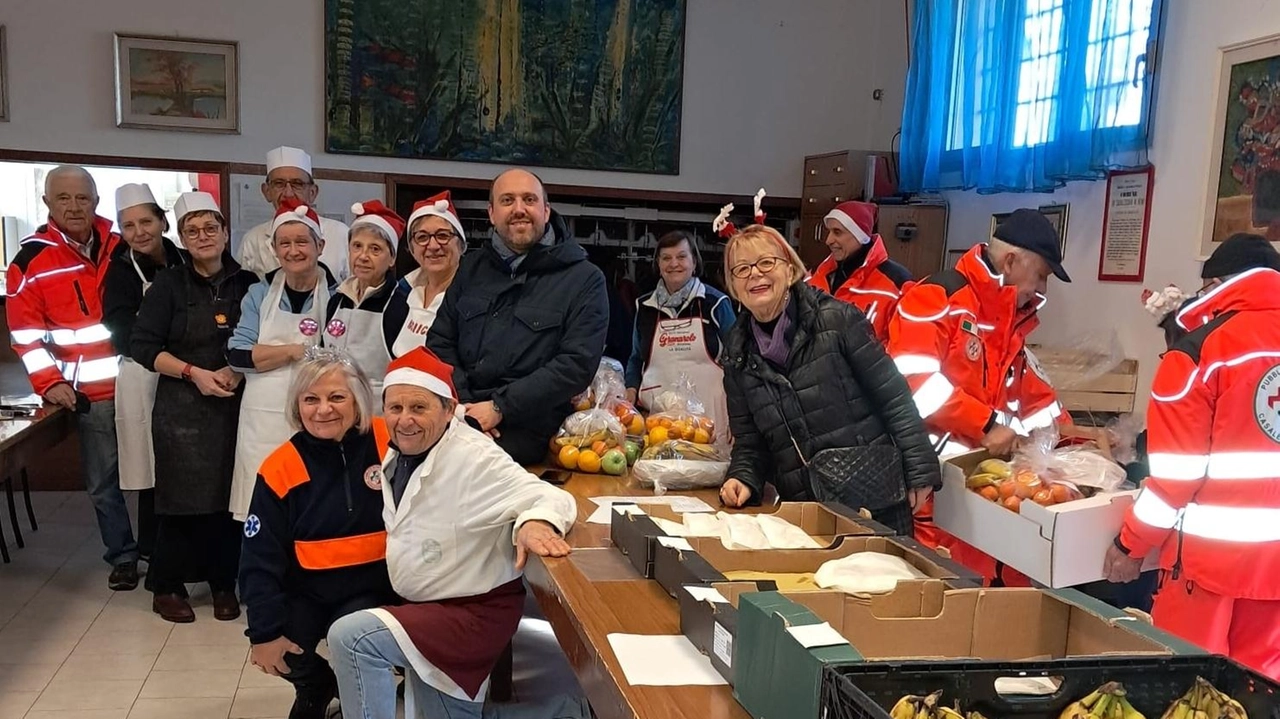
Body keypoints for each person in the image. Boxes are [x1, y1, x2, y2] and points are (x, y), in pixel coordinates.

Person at [327, 347, 581, 719]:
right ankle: (566, 713)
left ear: (448, 410)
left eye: (419, 408)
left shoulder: (474, 457)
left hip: (472, 612)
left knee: (353, 637)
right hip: (431, 603)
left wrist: (533, 522)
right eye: (395, 408)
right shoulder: (403, 450)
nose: (404, 420)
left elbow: (548, 495)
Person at [1103, 234, 1280, 681]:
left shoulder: (1198, 353)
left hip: (1205, 567)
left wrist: (1130, 544)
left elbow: (1175, 481)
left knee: (1186, 685)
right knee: (1259, 688)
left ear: (1216, 284)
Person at [716, 224, 939, 536]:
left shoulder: (838, 320)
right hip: (805, 509)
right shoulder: (736, 353)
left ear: (790, 268)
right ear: (733, 285)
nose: (755, 274)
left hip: (874, 498)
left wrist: (919, 470)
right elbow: (749, 442)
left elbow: (895, 399)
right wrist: (742, 477)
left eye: (766, 262)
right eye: (741, 269)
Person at [887, 208, 1068, 584]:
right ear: (1011, 260)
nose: (1044, 289)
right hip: (928, 489)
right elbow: (909, 383)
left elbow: (1034, 398)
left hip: (983, 492)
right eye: (1042, 276)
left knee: (978, 597)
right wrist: (986, 424)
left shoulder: (1010, 321)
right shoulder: (937, 296)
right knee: (939, 598)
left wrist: (1076, 443)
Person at [240, 351, 396, 719]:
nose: (323, 410)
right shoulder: (280, 467)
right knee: (274, 652)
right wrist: (263, 633)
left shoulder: (390, 440)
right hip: (308, 592)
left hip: (379, 588)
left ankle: (367, 690)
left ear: (358, 400)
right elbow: (258, 559)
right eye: (311, 399)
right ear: (297, 406)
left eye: (337, 397)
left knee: (354, 637)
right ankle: (317, 685)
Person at [5, 166, 137, 589]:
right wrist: (51, 384)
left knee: (158, 473)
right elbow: (25, 337)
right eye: (64, 198)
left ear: (96, 201)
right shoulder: (30, 261)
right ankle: (123, 555)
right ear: (47, 203)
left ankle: (160, 548)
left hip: (141, 382)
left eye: (83, 198)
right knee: (103, 481)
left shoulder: (122, 246)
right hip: (89, 392)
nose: (75, 206)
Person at [131, 191, 258, 623]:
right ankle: (166, 585)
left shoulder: (249, 283)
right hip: (181, 408)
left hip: (235, 404)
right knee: (182, 501)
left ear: (225, 232)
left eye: (210, 228)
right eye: (192, 230)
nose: (202, 236)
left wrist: (235, 372)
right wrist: (194, 373)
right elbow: (143, 347)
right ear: (182, 239)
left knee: (229, 499)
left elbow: (263, 338)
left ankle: (224, 582)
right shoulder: (169, 284)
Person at [427, 168, 609, 464]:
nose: (519, 209)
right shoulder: (470, 268)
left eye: (529, 199)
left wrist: (499, 407)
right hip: (460, 424)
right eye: (507, 200)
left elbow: (576, 364)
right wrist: (467, 409)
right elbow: (440, 341)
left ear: (546, 211)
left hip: (540, 444)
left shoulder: (585, 279)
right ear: (491, 213)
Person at [228, 199, 336, 521]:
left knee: (312, 504)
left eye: (302, 242)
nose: (293, 251)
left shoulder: (337, 294)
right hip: (262, 417)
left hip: (318, 414)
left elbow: (341, 355)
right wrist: (293, 352)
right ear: (274, 249)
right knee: (261, 505)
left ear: (320, 245)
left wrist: (266, 355)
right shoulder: (259, 294)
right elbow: (237, 354)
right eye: (284, 243)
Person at [101, 184, 185, 563]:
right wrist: (159, 333)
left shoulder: (184, 259)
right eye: (129, 225)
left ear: (162, 221)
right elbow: (120, 329)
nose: (139, 232)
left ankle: (187, 547)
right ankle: (152, 550)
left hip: (185, 373)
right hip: (141, 376)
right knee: (150, 465)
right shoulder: (118, 272)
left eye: (146, 221)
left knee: (183, 461)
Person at [624, 230, 736, 435]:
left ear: (695, 262)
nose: (673, 263)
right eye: (666, 258)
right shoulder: (644, 306)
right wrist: (630, 389)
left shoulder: (716, 303)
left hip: (709, 421)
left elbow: (739, 358)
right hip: (658, 421)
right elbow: (635, 359)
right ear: (658, 265)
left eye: (681, 257)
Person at [322, 200, 408, 397]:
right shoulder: (336, 301)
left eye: (375, 249)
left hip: (376, 412)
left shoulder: (401, 305)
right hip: (335, 407)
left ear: (392, 259)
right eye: (357, 246)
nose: (363, 256)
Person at [237, 146, 349, 281]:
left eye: (297, 184)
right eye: (279, 184)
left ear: (312, 192)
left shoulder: (340, 234)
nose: (288, 193)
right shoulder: (252, 240)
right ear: (267, 191)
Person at [807, 200, 913, 344]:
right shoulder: (817, 275)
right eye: (829, 232)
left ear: (860, 235)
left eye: (837, 232)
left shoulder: (897, 283)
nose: (828, 240)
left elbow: (904, 346)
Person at [391, 191, 465, 356]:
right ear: (412, 248)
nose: (433, 245)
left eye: (443, 235)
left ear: (460, 244)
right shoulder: (403, 294)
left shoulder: (472, 297)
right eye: (422, 237)